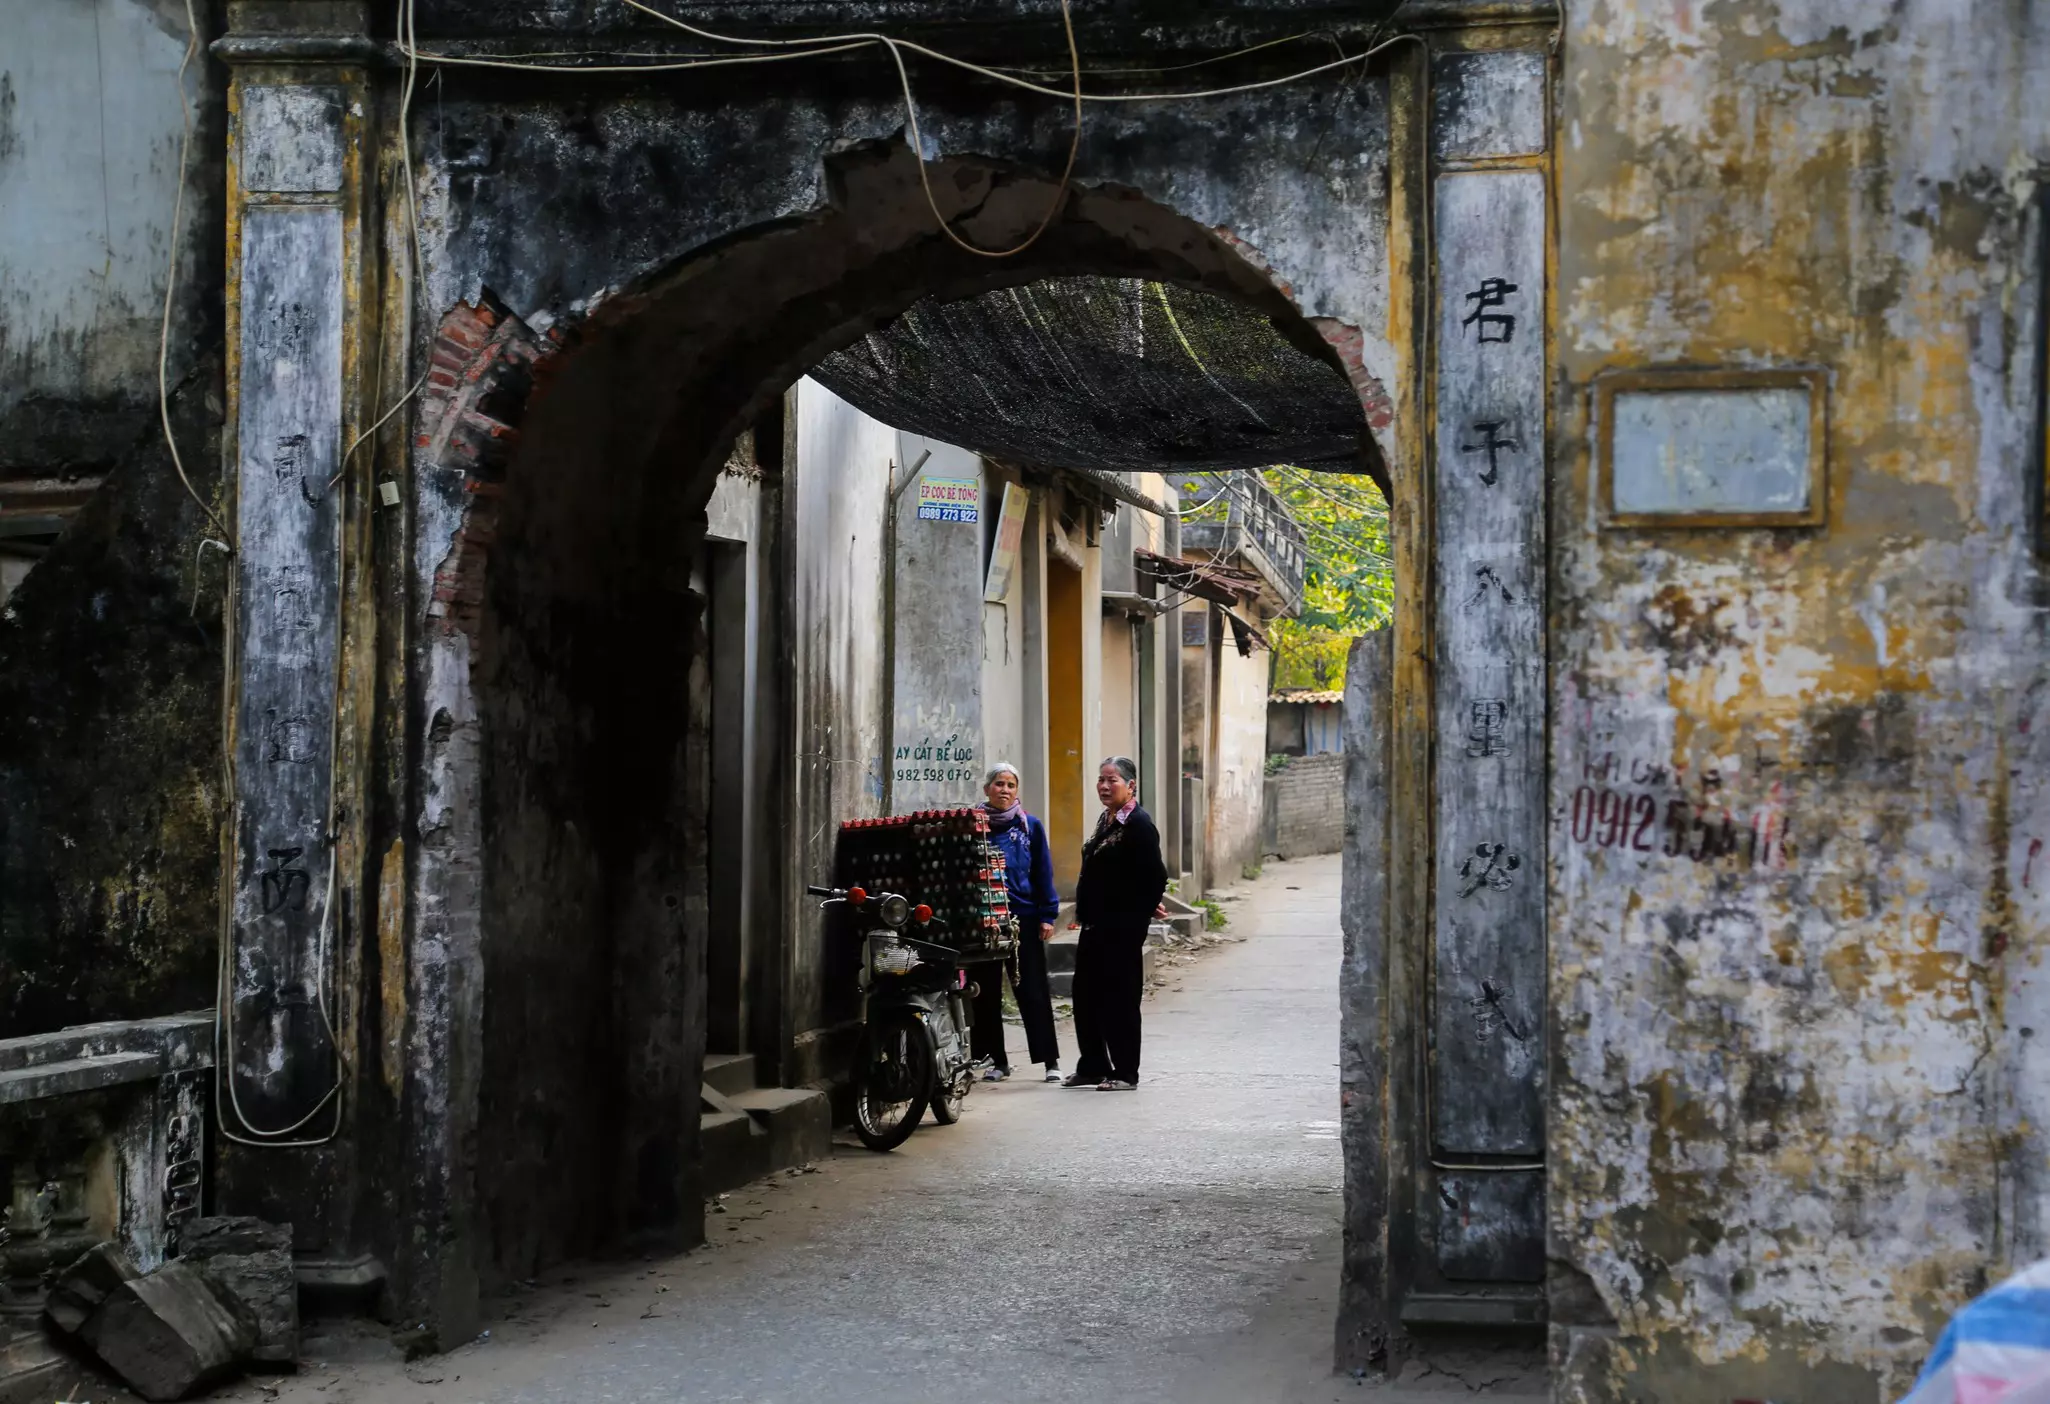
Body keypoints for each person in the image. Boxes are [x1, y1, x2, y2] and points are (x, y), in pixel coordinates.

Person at [1065, 756, 1168, 1091]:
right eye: (1101, 780)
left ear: (1131, 785)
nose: (1105, 786)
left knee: (1119, 999)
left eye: (1113, 780)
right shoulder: (1107, 819)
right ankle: (1093, 1065)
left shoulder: (1138, 823)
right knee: (1085, 995)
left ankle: (1125, 1072)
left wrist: (1140, 914)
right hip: (1095, 925)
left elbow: (1154, 875)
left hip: (1120, 930)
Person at [970, 763, 1064, 1083]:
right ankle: (996, 1060)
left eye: (1011, 784)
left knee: (1032, 989)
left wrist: (1048, 914)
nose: (1005, 790)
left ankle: (1050, 1060)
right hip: (985, 918)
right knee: (985, 991)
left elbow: (1043, 872)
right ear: (987, 789)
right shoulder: (974, 826)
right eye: (999, 784)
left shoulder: (1030, 827)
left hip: (1023, 915)